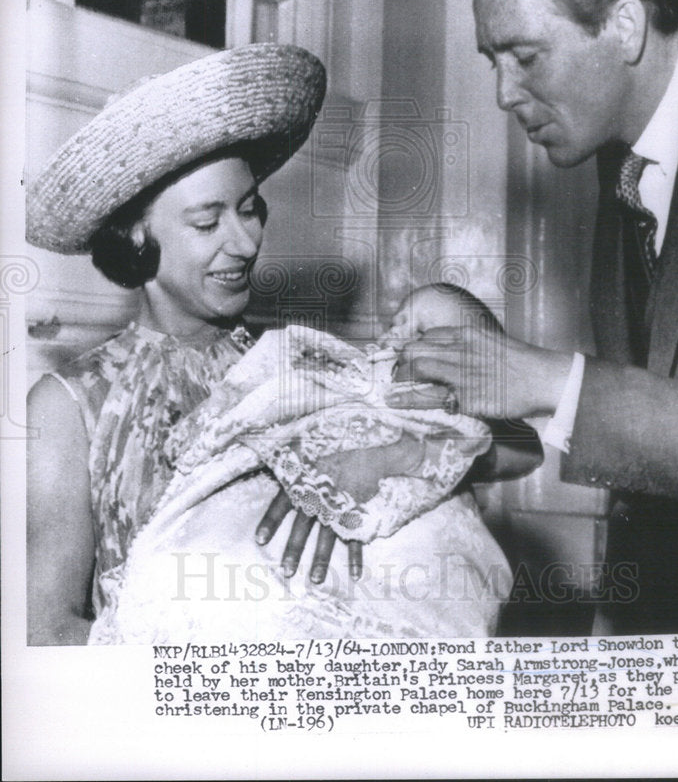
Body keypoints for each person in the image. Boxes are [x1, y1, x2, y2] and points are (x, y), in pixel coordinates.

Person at [26, 43, 511, 644]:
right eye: (208, 223)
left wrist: (386, 460)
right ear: (135, 230)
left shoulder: (295, 363)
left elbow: (509, 441)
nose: (246, 242)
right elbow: (45, 630)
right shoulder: (70, 405)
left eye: (251, 210)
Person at [391, 0, 678, 634]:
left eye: (525, 57)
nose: (504, 95)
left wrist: (543, 377)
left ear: (623, 26)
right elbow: (654, 437)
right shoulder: (627, 170)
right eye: (491, 61)